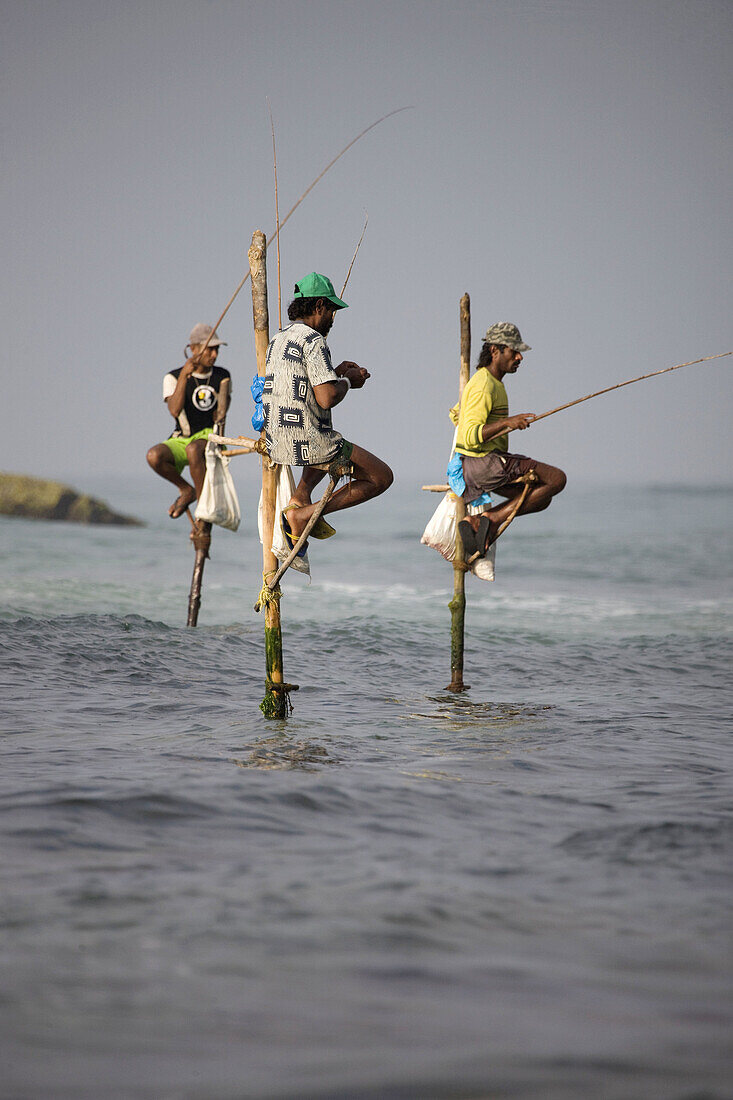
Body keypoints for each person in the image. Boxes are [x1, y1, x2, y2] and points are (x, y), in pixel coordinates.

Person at [261, 272, 392, 549]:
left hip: (277, 440)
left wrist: (336, 371)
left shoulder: (278, 338)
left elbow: (300, 384)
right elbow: (326, 398)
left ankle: (301, 496)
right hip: (309, 442)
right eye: (331, 310)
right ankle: (303, 514)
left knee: (326, 435)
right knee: (381, 477)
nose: (333, 318)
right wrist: (348, 381)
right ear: (319, 306)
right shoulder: (314, 341)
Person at [452, 322, 566, 561]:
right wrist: (507, 423)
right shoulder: (484, 385)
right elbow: (470, 436)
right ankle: (491, 520)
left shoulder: (491, 383)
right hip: (483, 465)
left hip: (477, 469)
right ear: (495, 351)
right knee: (556, 479)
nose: (519, 357)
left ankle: (477, 523)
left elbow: (457, 414)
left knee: (540, 498)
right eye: (513, 351)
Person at [146, 323, 232, 519]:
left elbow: (222, 413)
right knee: (154, 456)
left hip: (210, 437)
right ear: (193, 349)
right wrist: (185, 375)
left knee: (194, 450)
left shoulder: (222, 375)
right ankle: (187, 490)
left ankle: (203, 508)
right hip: (182, 438)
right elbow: (174, 410)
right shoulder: (173, 377)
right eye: (210, 349)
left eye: (216, 350)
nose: (214, 355)